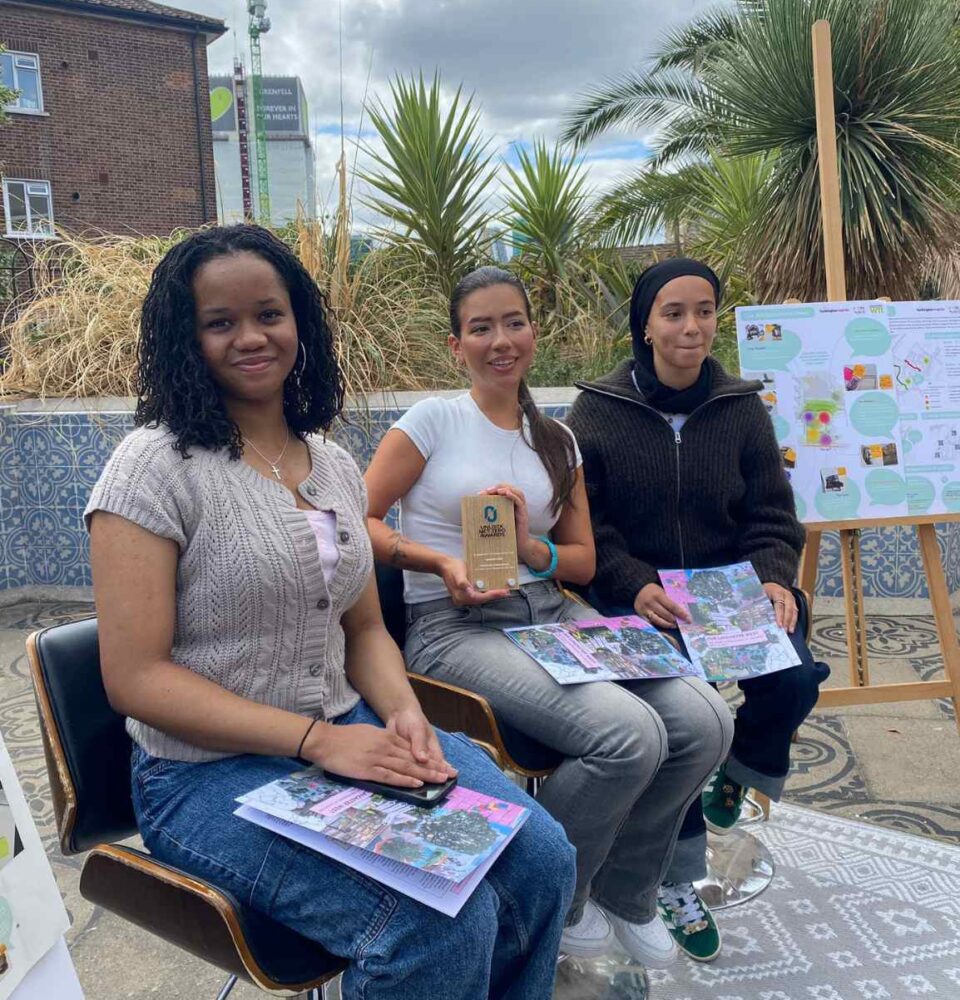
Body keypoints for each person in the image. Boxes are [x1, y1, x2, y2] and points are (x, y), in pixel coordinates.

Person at [85, 226, 577, 1000]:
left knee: (544, 859)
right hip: (203, 779)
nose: (250, 337)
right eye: (220, 322)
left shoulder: (334, 464)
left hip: (346, 733)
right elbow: (136, 678)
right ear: (187, 337)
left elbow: (364, 630)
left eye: (269, 314)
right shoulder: (152, 468)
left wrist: (404, 715)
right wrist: (320, 742)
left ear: (300, 324)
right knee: (434, 921)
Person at [363, 265, 733, 968]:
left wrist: (533, 547)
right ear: (456, 345)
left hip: (550, 609)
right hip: (454, 627)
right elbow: (360, 520)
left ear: (533, 332)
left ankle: (625, 889)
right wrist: (438, 564)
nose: (500, 340)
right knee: (629, 736)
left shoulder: (557, 440)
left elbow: (584, 562)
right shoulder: (433, 421)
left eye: (513, 323)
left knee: (706, 720)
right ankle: (549, 896)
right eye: (481, 328)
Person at [567, 257, 830, 962]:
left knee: (797, 677)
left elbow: (772, 514)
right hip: (645, 603)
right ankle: (676, 883)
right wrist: (629, 581)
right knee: (685, 726)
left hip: (728, 595)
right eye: (674, 312)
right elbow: (588, 523)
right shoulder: (597, 409)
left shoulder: (740, 407)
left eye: (705, 311)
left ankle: (741, 773)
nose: (691, 326)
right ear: (645, 324)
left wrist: (775, 577)